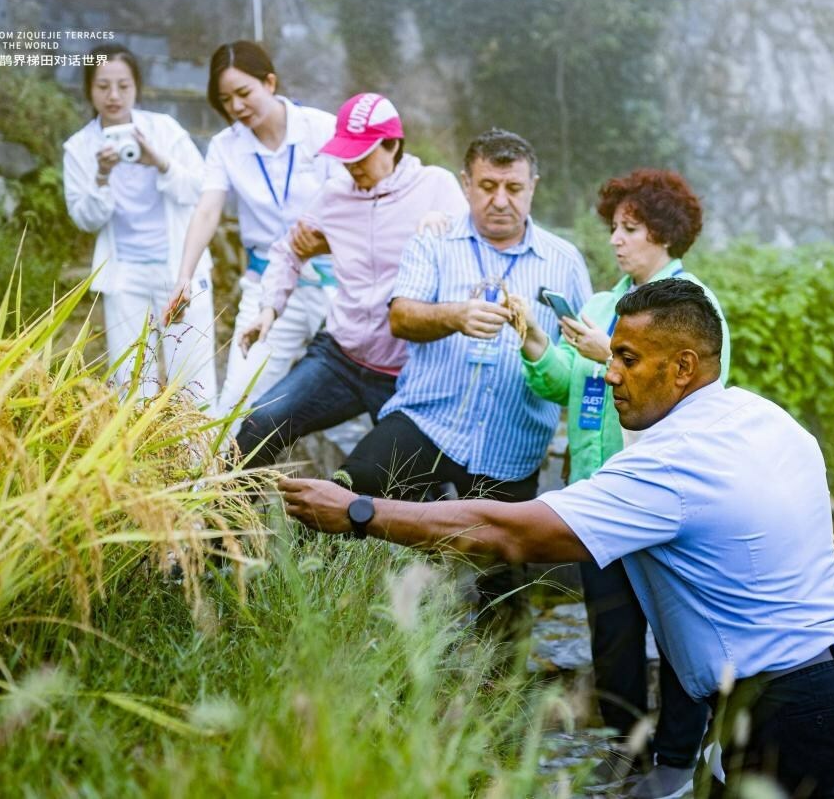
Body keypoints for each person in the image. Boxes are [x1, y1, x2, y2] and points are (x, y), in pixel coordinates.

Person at [279, 278, 834, 799]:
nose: (610, 373)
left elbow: (509, 532)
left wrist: (358, 511)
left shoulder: (672, 463)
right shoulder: (762, 416)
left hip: (789, 708)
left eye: (627, 358)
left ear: (683, 367)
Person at [518, 168, 730, 791]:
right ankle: (621, 748)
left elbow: (696, 395)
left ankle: (677, 756)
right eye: (613, 226)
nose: (615, 240)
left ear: (663, 234)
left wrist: (606, 353)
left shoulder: (693, 306)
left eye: (630, 229)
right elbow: (570, 383)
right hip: (599, 493)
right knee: (611, 635)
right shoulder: (602, 303)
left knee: (679, 635)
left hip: (665, 498)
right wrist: (535, 344)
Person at [338, 128, 592, 637]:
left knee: (506, 588)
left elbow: (582, 357)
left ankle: (497, 690)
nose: (500, 200)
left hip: (511, 442)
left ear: (533, 186)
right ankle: (338, 619)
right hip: (430, 421)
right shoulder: (435, 241)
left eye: (514, 188)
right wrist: (455, 315)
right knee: (348, 490)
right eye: (487, 185)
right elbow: (401, 317)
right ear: (466, 183)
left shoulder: (564, 262)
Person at [233, 93, 468, 468]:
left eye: (362, 153)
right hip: (339, 357)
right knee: (260, 424)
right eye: (346, 154)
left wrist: (445, 232)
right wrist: (268, 309)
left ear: (392, 145)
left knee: (410, 484)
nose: (351, 164)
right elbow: (287, 250)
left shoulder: (434, 187)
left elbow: (472, 251)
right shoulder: (334, 195)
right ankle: (226, 524)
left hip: (406, 372)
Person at [165, 40, 337, 425]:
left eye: (244, 93)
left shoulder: (322, 128)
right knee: (238, 403)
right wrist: (184, 276)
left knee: (349, 395)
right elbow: (208, 208)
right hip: (266, 287)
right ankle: (224, 485)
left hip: (334, 282)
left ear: (270, 83)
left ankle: (377, 484)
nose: (237, 107)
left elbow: (354, 205)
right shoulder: (225, 147)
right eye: (226, 100)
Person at [63, 43, 215, 403]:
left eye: (123, 86)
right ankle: (136, 458)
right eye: (102, 86)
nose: (113, 96)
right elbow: (84, 219)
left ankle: (204, 458)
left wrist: (158, 161)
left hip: (180, 271)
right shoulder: (79, 147)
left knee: (193, 379)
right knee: (131, 383)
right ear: (89, 89)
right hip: (125, 278)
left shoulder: (164, 131)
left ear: (137, 87)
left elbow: (201, 189)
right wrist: (102, 176)